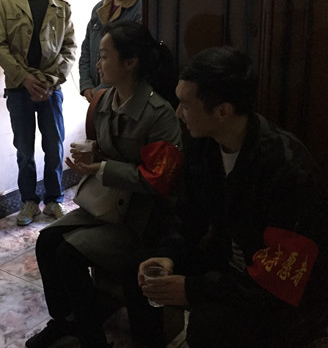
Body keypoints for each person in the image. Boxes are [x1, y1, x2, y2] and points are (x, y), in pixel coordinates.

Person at [139, 47, 328, 347]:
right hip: (229, 264)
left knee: (209, 322)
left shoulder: (287, 168)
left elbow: (279, 279)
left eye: (185, 104)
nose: (177, 113)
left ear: (222, 111)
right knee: (142, 272)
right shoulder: (204, 144)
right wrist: (168, 254)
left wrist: (193, 289)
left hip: (279, 292)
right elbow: (187, 217)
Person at [25, 21, 183, 348]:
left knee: (68, 253)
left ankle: (91, 338)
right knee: (47, 241)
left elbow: (161, 180)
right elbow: (110, 151)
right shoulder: (106, 100)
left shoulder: (158, 114)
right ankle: (65, 322)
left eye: (105, 56)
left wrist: (102, 167)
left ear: (131, 62)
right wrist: (93, 155)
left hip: (142, 219)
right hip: (108, 204)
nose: (98, 64)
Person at [0, 0, 77, 226]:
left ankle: (54, 200)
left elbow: (70, 48)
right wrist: (25, 78)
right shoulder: (6, 4)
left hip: (51, 91)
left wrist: (49, 81)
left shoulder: (61, 8)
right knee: (24, 150)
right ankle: (29, 201)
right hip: (19, 90)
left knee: (54, 147)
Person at [79, 0, 143, 102]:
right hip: (96, 94)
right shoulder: (99, 8)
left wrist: (100, 91)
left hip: (123, 95)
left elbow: (134, 59)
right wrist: (86, 85)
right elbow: (86, 49)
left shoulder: (142, 10)